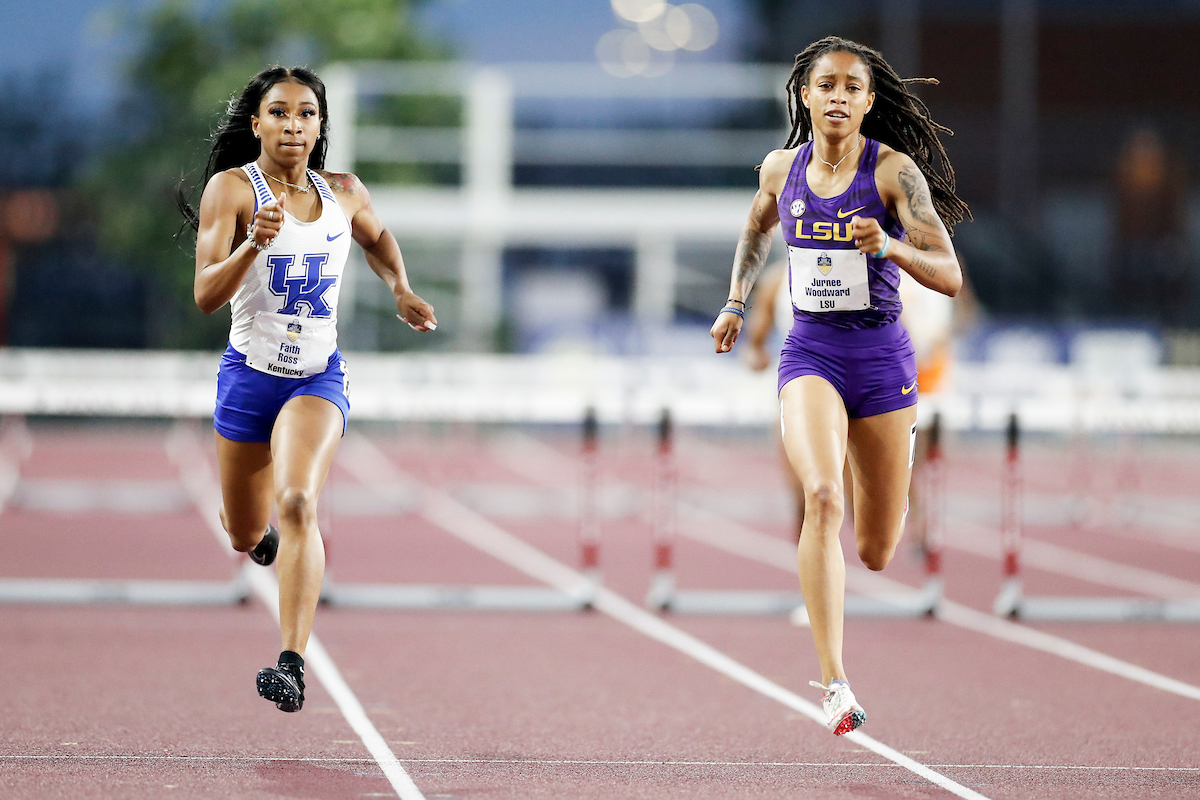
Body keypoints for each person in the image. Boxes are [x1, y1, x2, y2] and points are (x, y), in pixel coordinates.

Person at [710, 36, 969, 736]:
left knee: (878, 550)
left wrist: (889, 246)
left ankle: (877, 460)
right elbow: (756, 230)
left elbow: (950, 276)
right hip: (811, 354)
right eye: (827, 85)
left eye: (853, 88)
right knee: (822, 497)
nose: (839, 97)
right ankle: (834, 684)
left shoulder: (893, 175)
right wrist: (736, 300)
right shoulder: (779, 169)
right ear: (804, 94)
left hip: (884, 360)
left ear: (868, 101)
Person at [177, 66, 436, 713]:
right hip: (249, 377)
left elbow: (377, 238)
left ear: (320, 125)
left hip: (317, 377)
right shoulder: (233, 190)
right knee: (242, 533)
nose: (294, 125)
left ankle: (291, 663)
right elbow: (206, 295)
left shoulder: (344, 191)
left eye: (306, 114)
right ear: (257, 122)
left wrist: (400, 287)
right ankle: (256, 540)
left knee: (297, 502)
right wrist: (250, 247)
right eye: (280, 113)